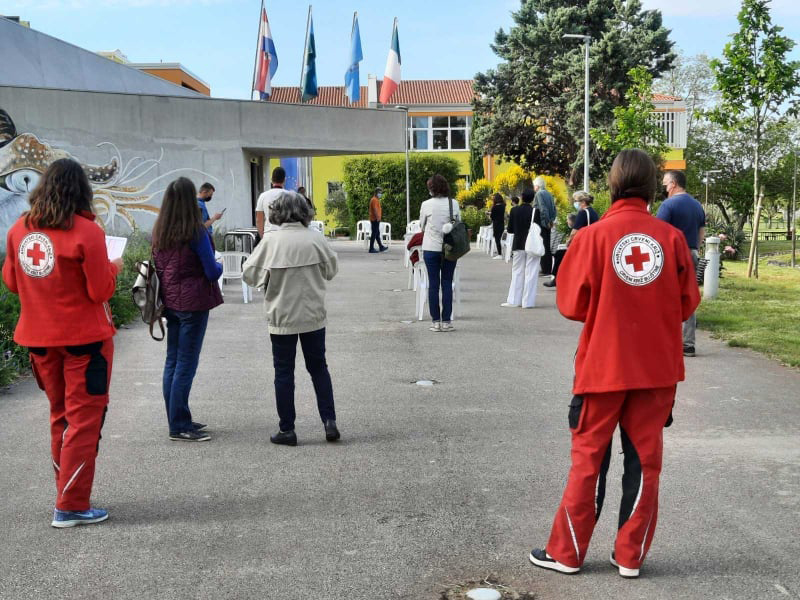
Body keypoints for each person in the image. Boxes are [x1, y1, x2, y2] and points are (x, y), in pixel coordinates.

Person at [528, 149, 700, 578]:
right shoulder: (672, 239)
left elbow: (570, 304)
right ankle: (630, 556)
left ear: (613, 183)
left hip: (602, 365)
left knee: (589, 459)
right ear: (650, 185)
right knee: (645, 462)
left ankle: (567, 553)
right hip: (656, 370)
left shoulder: (591, 237)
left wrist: (608, 307)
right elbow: (687, 303)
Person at [2, 158, 123, 528]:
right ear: (82, 191)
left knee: (61, 417)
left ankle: (66, 494)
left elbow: (11, 282)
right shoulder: (87, 232)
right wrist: (114, 266)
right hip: (84, 341)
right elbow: (100, 289)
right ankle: (70, 505)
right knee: (85, 421)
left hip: (38, 340)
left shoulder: (20, 229)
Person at [242, 191, 340, 446]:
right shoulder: (315, 239)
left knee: (284, 372)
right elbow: (331, 270)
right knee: (319, 368)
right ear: (304, 212)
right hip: (313, 316)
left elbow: (249, 275)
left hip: (281, 317)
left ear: (277, 213)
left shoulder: (271, 242)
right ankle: (329, 421)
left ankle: (288, 429)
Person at [152, 177, 223, 442]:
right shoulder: (195, 231)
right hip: (193, 304)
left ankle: (177, 418)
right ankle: (179, 424)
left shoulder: (159, 230)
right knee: (186, 364)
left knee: (172, 361)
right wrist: (221, 267)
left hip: (170, 304)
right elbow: (211, 271)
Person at [657, 170, 705, 357]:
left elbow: (658, 233)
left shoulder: (668, 205)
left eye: (665, 184)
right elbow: (702, 231)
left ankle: (666, 340)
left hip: (671, 255)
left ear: (674, 183)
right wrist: (694, 250)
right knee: (688, 296)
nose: (664, 187)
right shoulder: (697, 205)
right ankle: (688, 344)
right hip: (691, 252)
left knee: (666, 296)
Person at [419, 174, 461, 332]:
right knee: (447, 283)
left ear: (431, 188)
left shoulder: (426, 204)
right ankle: (447, 322)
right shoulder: (454, 203)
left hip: (431, 248)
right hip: (449, 248)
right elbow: (458, 224)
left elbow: (422, 226)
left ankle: (435, 321)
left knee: (433, 285)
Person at [544, 191, 598, 288]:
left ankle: (556, 278)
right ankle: (557, 278)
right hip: (591, 242)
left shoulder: (582, 213)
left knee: (559, 254)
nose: (575, 203)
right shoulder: (592, 212)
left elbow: (575, 231)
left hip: (585, 244)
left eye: (576, 201)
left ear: (582, 202)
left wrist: (568, 241)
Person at [501, 188, 541, 309]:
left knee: (517, 271)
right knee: (531, 272)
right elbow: (538, 229)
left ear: (522, 197)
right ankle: (528, 302)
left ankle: (514, 300)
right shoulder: (535, 211)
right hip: (532, 245)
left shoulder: (514, 210)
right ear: (532, 199)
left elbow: (510, 229)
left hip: (518, 244)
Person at [533, 177, 557, 275]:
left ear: (537, 186)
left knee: (543, 246)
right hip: (549, 222)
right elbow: (554, 208)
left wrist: (546, 221)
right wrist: (551, 220)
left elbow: (543, 208)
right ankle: (548, 268)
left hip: (542, 223)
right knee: (547, 245)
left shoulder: (539, 194)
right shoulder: (549, 194)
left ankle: (545, 269)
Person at [255, 167, 286, 237]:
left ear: (272, 180)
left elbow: (259, 220)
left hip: (269, 235)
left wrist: (262, 236)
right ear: (284, 180)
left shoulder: (263, 196)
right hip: (285, 235)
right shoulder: (290, 196)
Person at [368, 187, 388, 253]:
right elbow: (375, 210)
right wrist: (377, 217)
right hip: (375, 219)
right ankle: (371, 248)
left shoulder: (375, 199)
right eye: (379, 193)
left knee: (377, 234)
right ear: (376, 193)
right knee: (374, 234)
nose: (380, 194)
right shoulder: (374, 200)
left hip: (375, 219)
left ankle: (381, 247)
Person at [490, 193, 506, 259]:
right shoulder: (503, 206)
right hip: (501, 224)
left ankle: (499, 254)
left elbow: (492, 217)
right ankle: (500, 252)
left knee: (497, 239)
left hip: (496, 224)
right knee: (500, 238)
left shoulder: (494, 207)